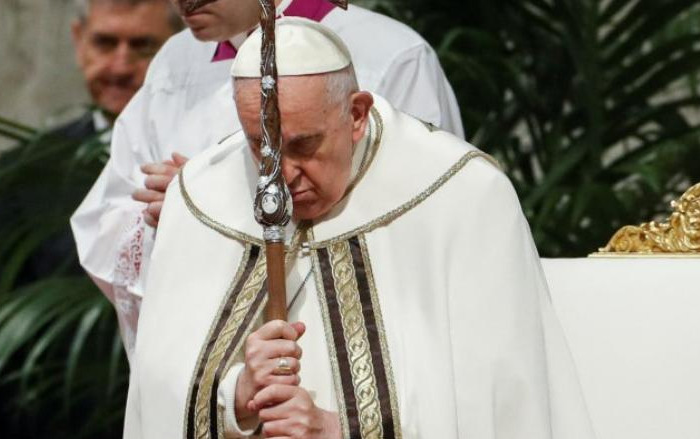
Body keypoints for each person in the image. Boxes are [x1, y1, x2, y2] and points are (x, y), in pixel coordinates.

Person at [122, 18, 595, 438]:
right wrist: (237, 399)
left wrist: (341, 428)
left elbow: (504, 404)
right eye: (259, 148)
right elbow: (155, 396)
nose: (279, 177)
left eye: (303, 145)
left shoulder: (462, 197)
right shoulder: (202, 197)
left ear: (355, 114)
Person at [71, 0, 466, 356]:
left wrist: (210, 202)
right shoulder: (176, 61)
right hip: (211, 364)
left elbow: (424, 224)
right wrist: (170, 220)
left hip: (333, 354)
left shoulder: (391, 55)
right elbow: (109, 217)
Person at [0, 0, 180, 310]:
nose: (120, 66)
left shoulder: (204, 158)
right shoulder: (26, 169)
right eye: (105, 43)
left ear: (179, 49)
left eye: (142, 46)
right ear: (78, 40)